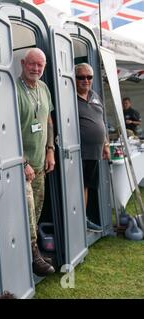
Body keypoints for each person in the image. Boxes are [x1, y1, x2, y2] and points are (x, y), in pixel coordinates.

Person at [16, 48, 55, 277]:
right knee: (28, 211)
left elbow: (48, 120)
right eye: (32, 64)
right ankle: (33, 255)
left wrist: (50, 149)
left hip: (40, 164)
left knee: (36, 211)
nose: (36, 69)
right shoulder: (13, 90)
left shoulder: (44, 88)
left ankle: (30, 253)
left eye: (40, 65)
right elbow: (6, 130)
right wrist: (22, 162)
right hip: (23, 167)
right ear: (23, 63)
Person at [75, 63, 110, 233]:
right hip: (79, 153)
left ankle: (83, 220)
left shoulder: (95, 96)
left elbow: (102, 121)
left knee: (86, 185)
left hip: (94, 152)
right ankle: (79, 221)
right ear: (74, 78)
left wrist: (106, 144)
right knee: (79, 186)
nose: (85, 80)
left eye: (89, 77)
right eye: (81, 77)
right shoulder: (70, 98)